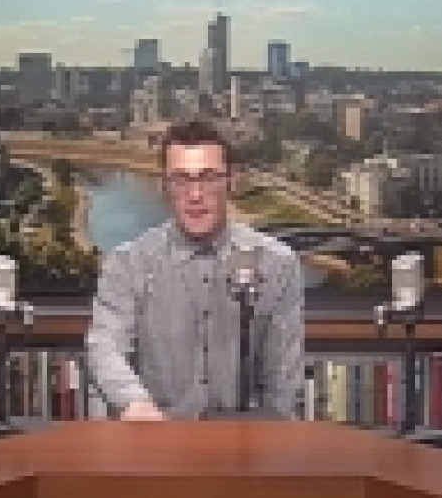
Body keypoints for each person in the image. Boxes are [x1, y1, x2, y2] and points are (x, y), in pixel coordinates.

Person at [86, 119, 304, 420]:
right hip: (157, 435)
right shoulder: (128, 264)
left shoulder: (278, 265)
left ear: (232, 182)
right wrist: (134, 403)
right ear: (163, 186)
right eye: (180, 179)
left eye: (209, 178)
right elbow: (105, 347)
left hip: (248, 440)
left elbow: (283, 380)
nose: (195, 195)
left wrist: (263, 436)